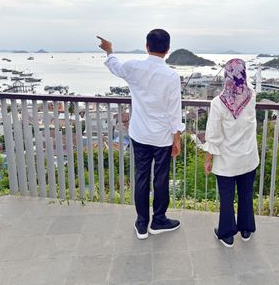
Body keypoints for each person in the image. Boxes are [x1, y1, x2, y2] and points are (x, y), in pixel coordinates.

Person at [97, 29, 185, 240]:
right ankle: (159, 220)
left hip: (139, 133)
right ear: (168, 50)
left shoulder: (134, 67)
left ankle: (142, 223)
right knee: (161, 179)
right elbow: (174, 109)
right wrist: (177, 137)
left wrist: (109, 51)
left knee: (141, 177)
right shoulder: (171, 76)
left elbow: (116, 67)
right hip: (162, 136)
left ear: (147, 46)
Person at [202, 58, 259, 248]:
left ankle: (226, 233)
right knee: (246, 193)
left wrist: (208, 159)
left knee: (227, 197)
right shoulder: (252, 97)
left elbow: (214, 135)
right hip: (248, 156)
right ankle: (246, 229)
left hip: (226, 159)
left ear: (226, 73)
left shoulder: (218, 102)